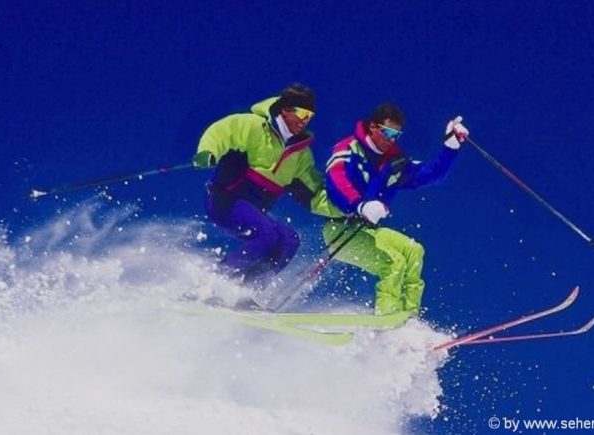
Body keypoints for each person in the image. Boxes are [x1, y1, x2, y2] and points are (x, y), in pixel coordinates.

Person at [322, 103, 468, 315]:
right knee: (393, 263)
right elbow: (336, 181)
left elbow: (428, 174)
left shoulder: (394, 162)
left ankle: (408, 317)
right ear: (373, 126)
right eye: (388, 132)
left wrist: (450, 147)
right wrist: (360, 205)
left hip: (368, 230)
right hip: (339, 229)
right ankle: (387, 318)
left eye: (396, 135)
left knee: (414, 251)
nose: (391, 139)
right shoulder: (348, 148)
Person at [193, 84, 342, 291]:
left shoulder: (300, 155)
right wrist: (207, 152)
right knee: (268, 235)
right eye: (302, 114)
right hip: (225, 199)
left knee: (289, 240)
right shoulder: (254, 126)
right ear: (286, 110)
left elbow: (314, 193)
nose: (305, 121)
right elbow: (222, 132)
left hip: (253, 210)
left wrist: (346, 208)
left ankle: (248, 290)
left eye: (310, 117)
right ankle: (214, 283)